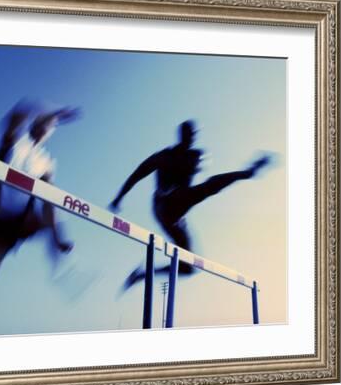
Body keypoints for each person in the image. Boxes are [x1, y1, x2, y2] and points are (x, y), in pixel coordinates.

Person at [0, 101, 79, 337]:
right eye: (45, 122)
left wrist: (57, 236)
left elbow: (49, 200)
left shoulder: (46, 161)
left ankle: (59, 257)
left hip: (22, 224)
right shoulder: (16, 141)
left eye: (51, 125)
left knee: (50, 202)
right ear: (36, 123)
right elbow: (18, 113)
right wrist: (53, 112)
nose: (47, 127)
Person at [109, 120, 270, 288]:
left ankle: (142, 275)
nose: (192, 139)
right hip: (163, 206)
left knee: (190, 267)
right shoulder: (164, 157)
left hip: (178, 215)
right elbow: (137, 175)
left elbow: (204, 174)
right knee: (205, 188)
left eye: (194, 135)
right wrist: (118, 198)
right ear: (182, 135)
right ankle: (247, 172)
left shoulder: (196, 155)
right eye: (189, 135)